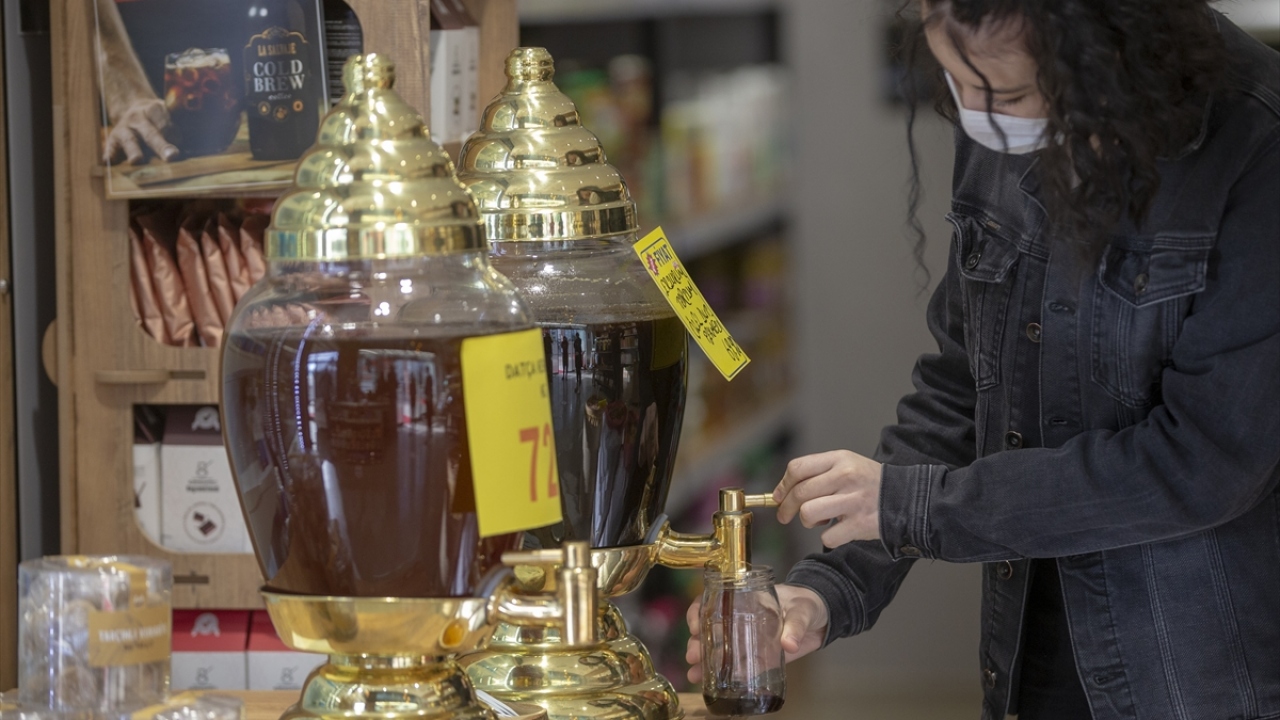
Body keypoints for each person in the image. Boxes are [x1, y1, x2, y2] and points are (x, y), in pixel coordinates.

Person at [686, 2, 1279, 719]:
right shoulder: (997, 110)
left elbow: (1206, 462)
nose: (979, 117)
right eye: (952, 79)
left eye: (1009, 95)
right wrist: (831, 588)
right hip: (1028, 651)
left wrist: (913, 506)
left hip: (1194, 673)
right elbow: (963, 384)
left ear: (1110, 53)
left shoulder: (1256, 142)